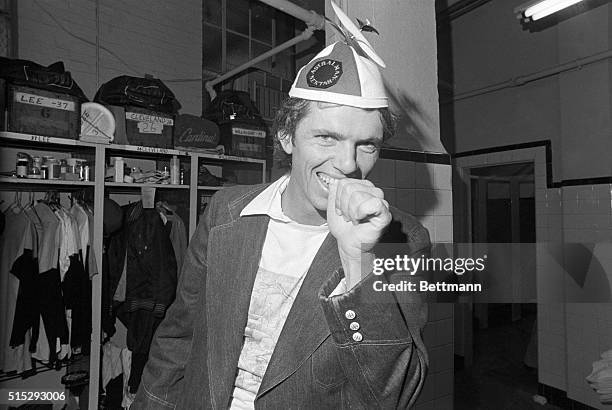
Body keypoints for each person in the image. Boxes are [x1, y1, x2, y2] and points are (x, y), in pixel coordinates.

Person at [132, 3, 430, 408]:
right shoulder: (226, 211)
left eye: (366, 145)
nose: (347, 164)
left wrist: (358, 260)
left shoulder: (404, 240)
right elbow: (178, 338)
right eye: (327, 137)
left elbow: (396, 392)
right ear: (288, 136)